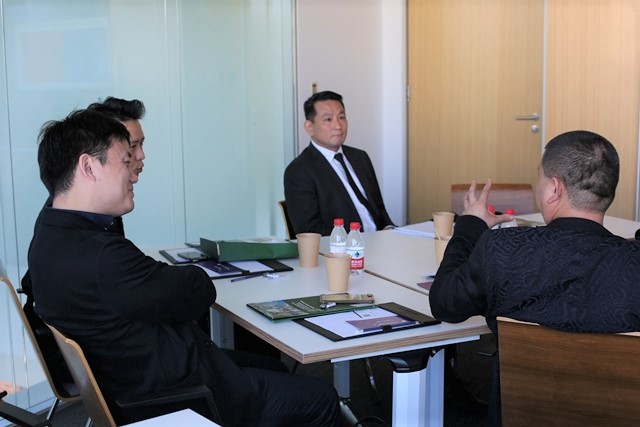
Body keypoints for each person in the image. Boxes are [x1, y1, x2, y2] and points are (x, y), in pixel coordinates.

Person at [28, 109, 341, 426]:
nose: (134, 174)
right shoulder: (102, 256)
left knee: (273, 367)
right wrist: (171, 276)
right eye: (125, 162)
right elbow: (197, 291)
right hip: (184, 396)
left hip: (136, 378)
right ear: (88, 167)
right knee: (322, 397)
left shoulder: (48, 236)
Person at [429, 130, 640, 426]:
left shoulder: (503, 249)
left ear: (554, 189)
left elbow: (444, 304)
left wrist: (470, 225)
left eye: (540, 176)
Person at [20, 96, 147, 391]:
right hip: (101, 360)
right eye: (130, 149)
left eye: (140, 145)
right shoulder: (79, 224)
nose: (140, 156)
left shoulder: (66, 213)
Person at [284, 90, 395, 236]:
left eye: (341, 117)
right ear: (309, 127)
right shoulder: (299, 171)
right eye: (328, 119)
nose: (338, 125)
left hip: (382, 241)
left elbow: (379, 208)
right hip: (345, 247)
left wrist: (389, 228)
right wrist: (356, 242)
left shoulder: (360, 157)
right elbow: (309, 229)